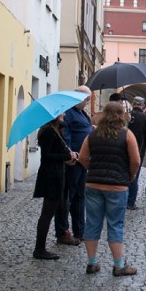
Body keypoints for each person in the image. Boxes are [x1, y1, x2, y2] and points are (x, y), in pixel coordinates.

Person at [76, 101, 140, 276]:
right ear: (121, 115)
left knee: (92, 223)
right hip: (117, 187)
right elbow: (135, 161)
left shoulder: (93, 135)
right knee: (115, 224)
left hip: (93, 185)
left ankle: (92, 262)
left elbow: (82, 157)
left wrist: (92, 169)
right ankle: (119, 265)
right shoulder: (127, 135)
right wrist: (130, 175)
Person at [32, 114, 78, 260]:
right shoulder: (47, 131)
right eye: (62, 113)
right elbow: (47, 156)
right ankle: (39, 249)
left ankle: (43, 246)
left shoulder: (57, 129)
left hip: (58, 174)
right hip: (50, 176)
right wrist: (65, 156)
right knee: (47, 214)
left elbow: (58, 152)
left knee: (59, 209)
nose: (64, 115)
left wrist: (67, 157)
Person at [55, 85, 92, 246]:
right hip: (73, 159)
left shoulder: (81, 112)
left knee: (79, 196)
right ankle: (63, 231)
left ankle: (80, 230)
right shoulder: (68, 113)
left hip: (83, 160)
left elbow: (82, 129)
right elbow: (66, 134)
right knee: (68, 197)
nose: (86, 102)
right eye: (85, 99)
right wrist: (69, 153)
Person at [126, 96, 146, 210]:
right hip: (139, 150)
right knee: (134, 175)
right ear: (143, 105)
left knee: (124, 174)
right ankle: (131, 202)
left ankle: (122, 199)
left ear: (133, 104)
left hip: (124, 149)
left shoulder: (127, 116)